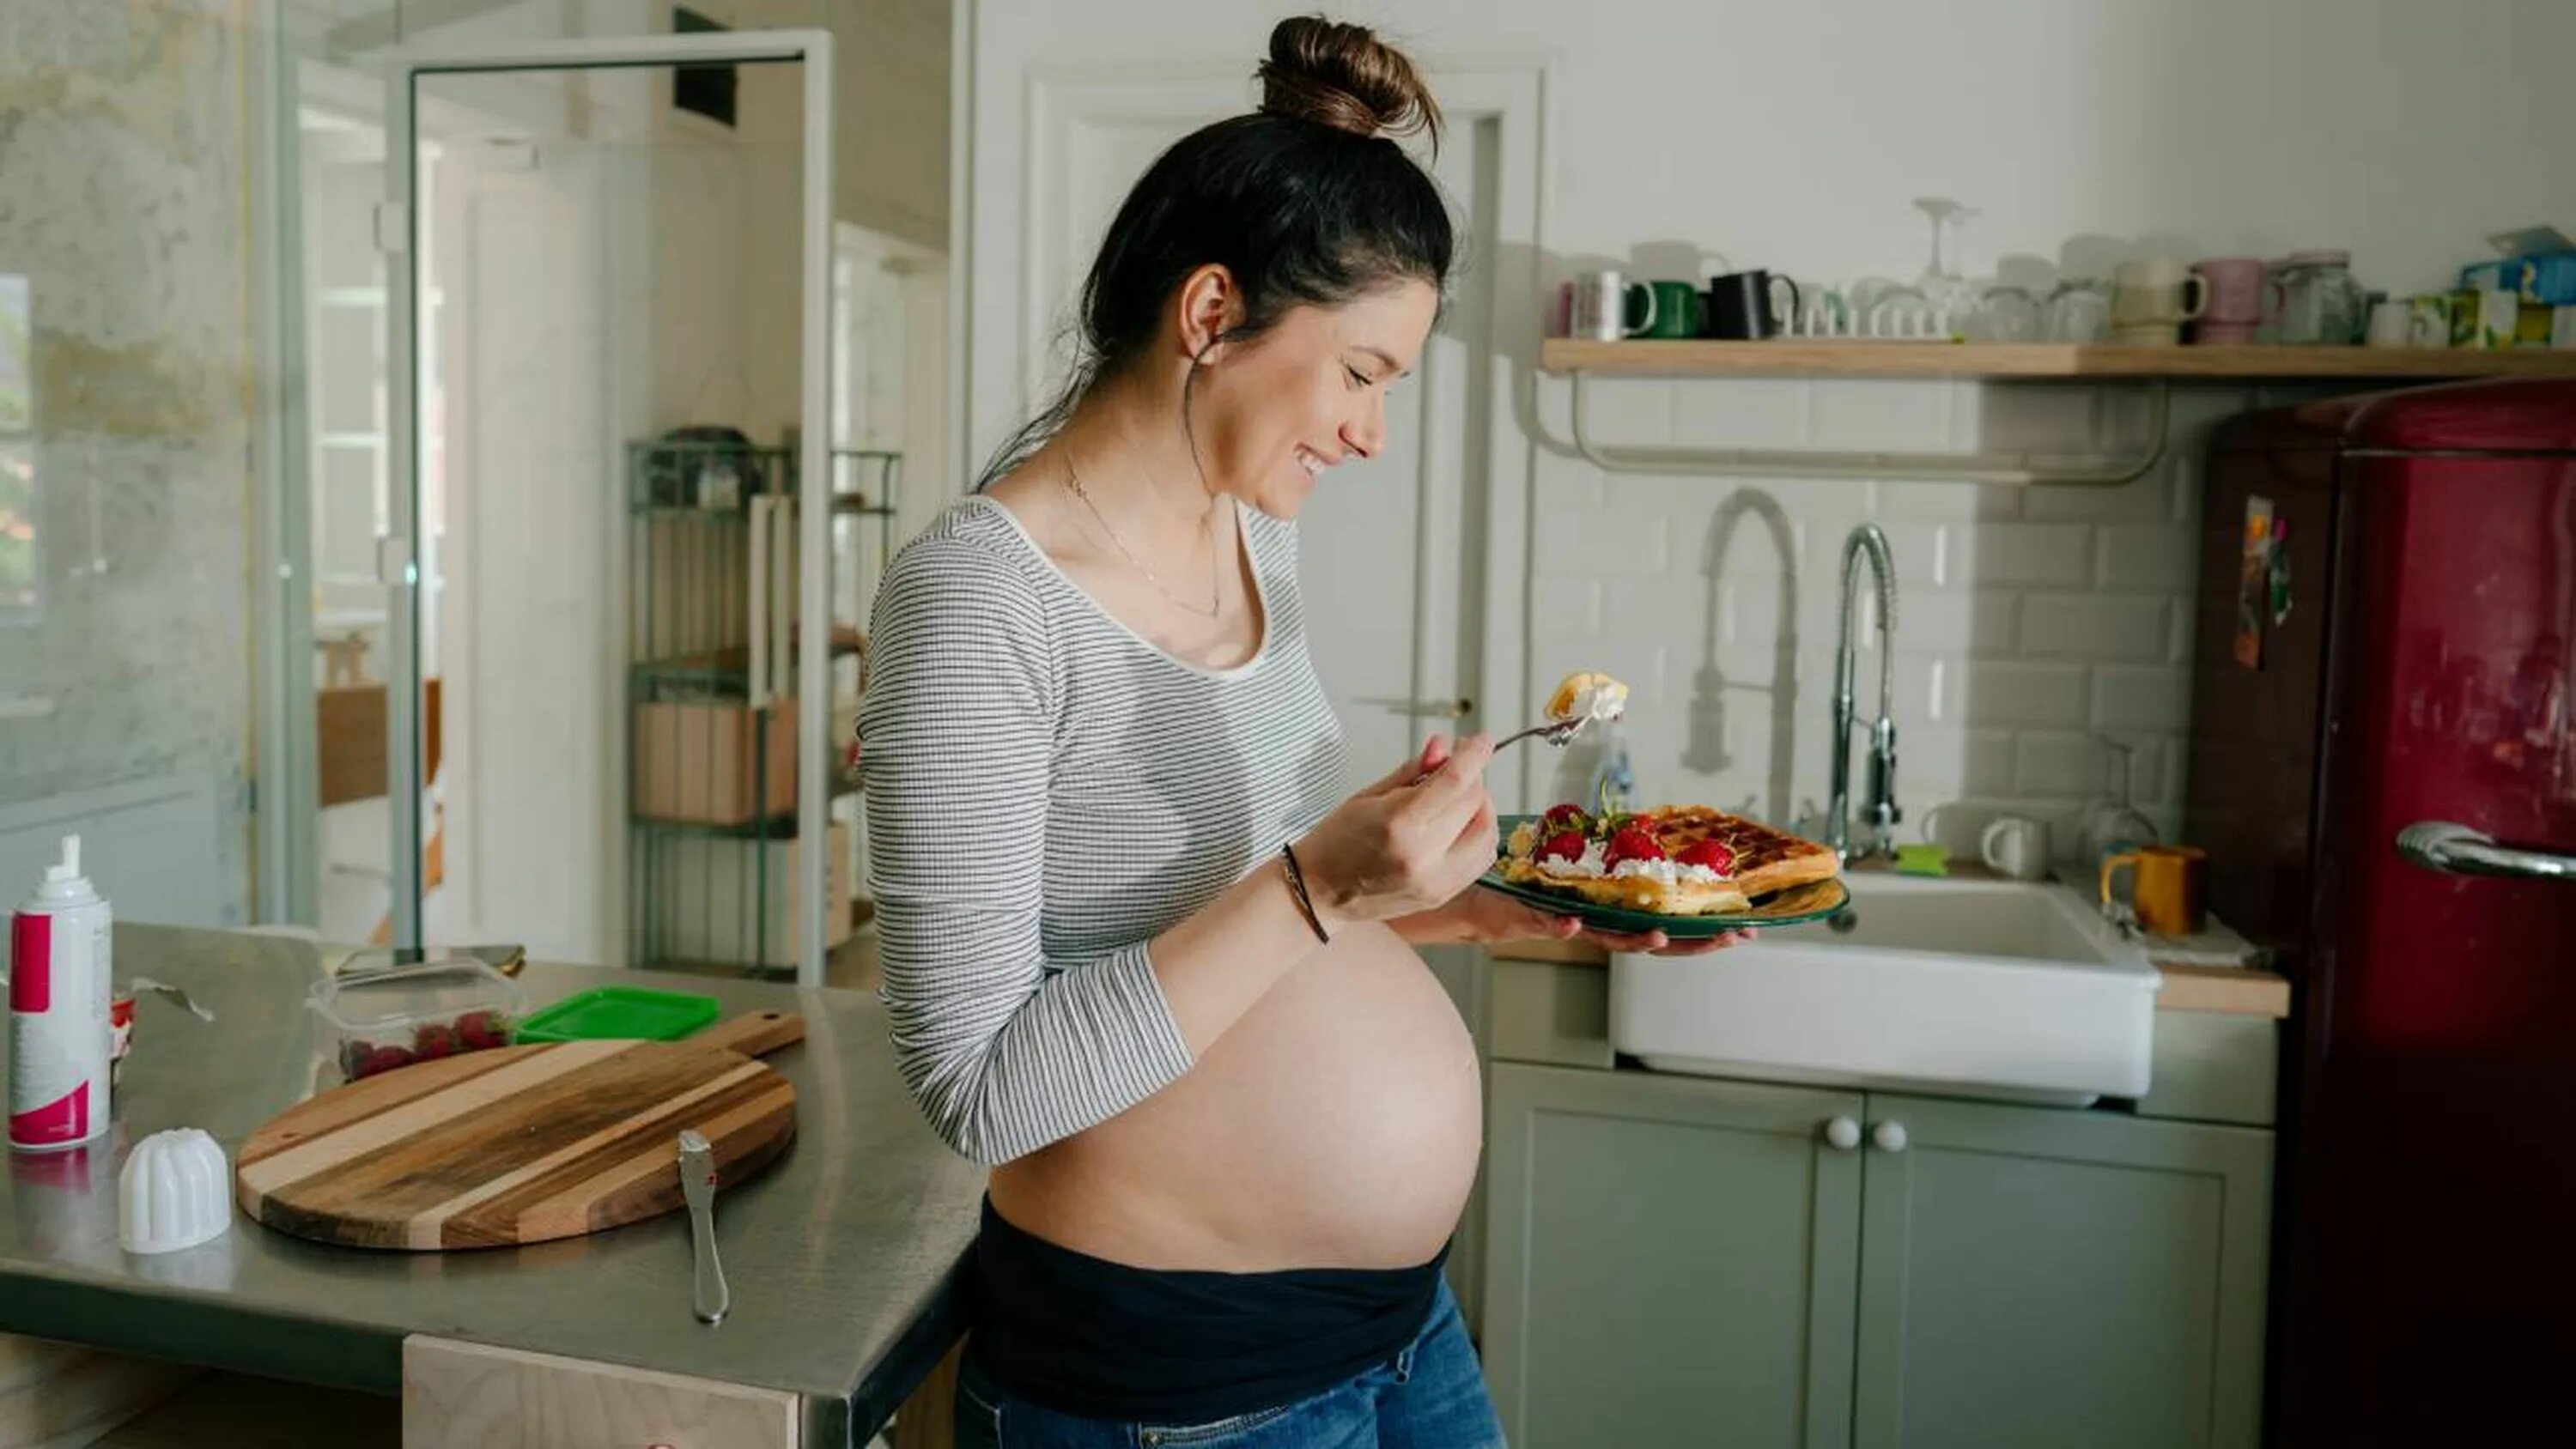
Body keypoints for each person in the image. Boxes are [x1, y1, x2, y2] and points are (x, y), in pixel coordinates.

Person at [859, 17, 1745, 1446]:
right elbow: (983, 1088)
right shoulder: (980, 602)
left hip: (1403, 1333)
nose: (1372, 433)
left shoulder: (1250, 540)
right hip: (1177, 1385)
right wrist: (1322, 880)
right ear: (1212, 316)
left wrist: (1490, 909)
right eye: (1362, 373)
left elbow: (1249, 931)